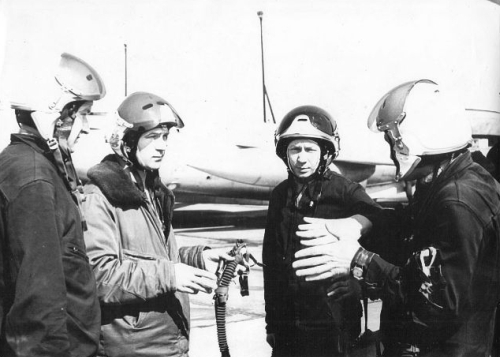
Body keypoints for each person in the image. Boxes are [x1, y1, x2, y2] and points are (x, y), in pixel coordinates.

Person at [292, 80, 500, 357]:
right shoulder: (453, 179)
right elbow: (412, 227)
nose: (391, 149)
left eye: (393, 140)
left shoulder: (458, 203)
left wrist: (359, 261)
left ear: (418, 139)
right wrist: (362, 223)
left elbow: (436, 302)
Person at [82, 91, 240, 357]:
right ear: (127, 142)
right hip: (132, 349)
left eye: (165, 137)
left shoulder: (152, 193)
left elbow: (156, 257)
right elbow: (99, 275)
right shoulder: (100, 197)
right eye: (152, 137)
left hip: (169, 344)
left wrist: (200, 259)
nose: (162, 146)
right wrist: (171, 276)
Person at [0, 53, 106, 356]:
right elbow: (39, 301)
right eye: (82, 114)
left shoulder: (37, 167)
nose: (85, 127)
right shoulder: (35, 180)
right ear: (54, 115)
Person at [262, 105, 382, 357]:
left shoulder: (344, 191)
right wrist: (271, 324)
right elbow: (271, 263)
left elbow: (382, 224)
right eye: (294, 149)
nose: (301, 158)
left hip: (332, 323)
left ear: (326, 153)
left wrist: (359, 284)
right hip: (287, 324)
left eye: (309, 149)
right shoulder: (279, 195)